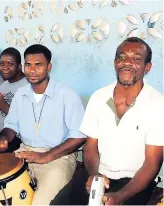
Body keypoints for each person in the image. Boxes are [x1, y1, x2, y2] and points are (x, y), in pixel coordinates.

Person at [50, 37, 164, 205]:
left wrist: (122, 196)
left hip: (134, 182)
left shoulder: (157, 104)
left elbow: (152, 162)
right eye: (122, 56)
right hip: (99, 173)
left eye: (136, 58)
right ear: (115, 62)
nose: (127, 62)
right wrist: (95, 176)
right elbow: (90, 146)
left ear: (147, 67)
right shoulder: (98, 97)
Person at [0, 44, 86, 205]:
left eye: (38, 65)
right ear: (23, 67)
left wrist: (46, 156)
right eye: (28, 65)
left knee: (40, 203)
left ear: (49, 67)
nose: (32, 70)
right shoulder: (21, 94)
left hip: (58, 157)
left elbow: (78, 137)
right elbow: (11, 125)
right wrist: (1, 140)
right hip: (25, 152)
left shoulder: (66, 94)